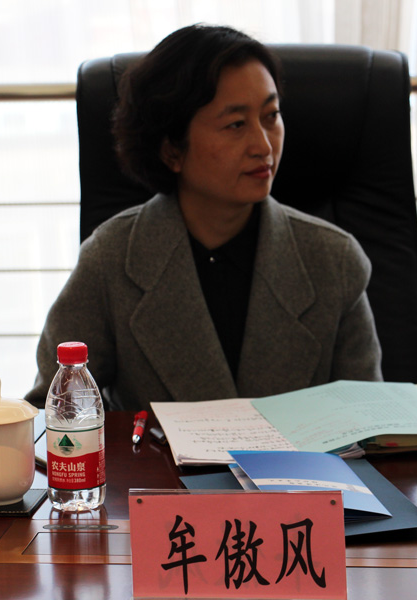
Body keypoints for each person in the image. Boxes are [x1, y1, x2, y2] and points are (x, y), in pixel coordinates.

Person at [25, 24, 381, 411]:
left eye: (271, 115)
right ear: (171, 150)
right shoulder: (112, 260)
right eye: (236, 124)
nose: (264, 145)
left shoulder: (334, 261)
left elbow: (368, 417)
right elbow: (54, 411)